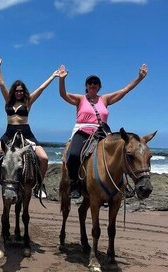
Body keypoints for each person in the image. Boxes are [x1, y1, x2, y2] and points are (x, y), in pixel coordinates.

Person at [58, 64, 148, 199]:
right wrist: (62, 79)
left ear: (99, 86)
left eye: (95, 83)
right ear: (86, 86)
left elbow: (124, 90)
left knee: (120, 154)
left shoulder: (104, 99)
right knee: (74, 154)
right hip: (83, 131)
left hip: (102, 132)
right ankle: (75, 184)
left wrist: (139, 78)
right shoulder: (80, 99)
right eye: (90, 83)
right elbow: (63, 94)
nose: (93, 84)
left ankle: (124, 185)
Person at [0, 57, 59, 196]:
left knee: (44, 158)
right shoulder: (8, 100)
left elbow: (41, 88)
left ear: (23, 92)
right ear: (13, 91)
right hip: (9, 132)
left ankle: (40, 185)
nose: (18, 93)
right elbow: (2, 85)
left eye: (21, 91)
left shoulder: (28, 101)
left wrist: (53, 76)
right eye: (16, 91)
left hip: (26, 133)